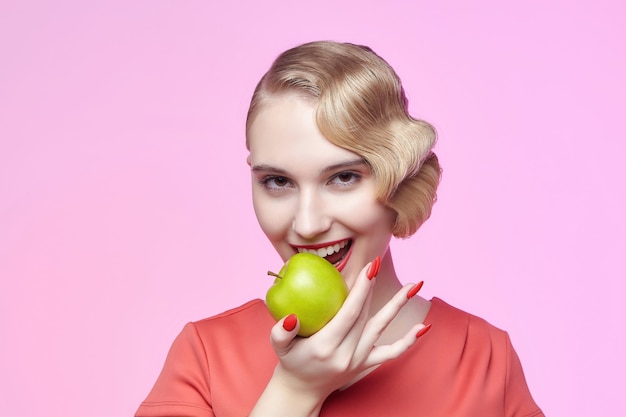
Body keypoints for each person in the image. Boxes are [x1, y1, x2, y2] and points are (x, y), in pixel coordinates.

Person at [135, 41, 543, 417]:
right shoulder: (206, 357)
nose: (307, 224)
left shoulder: (485, 358)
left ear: (399, 178)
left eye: (343, 177)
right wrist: (294, 391)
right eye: (277, 182)